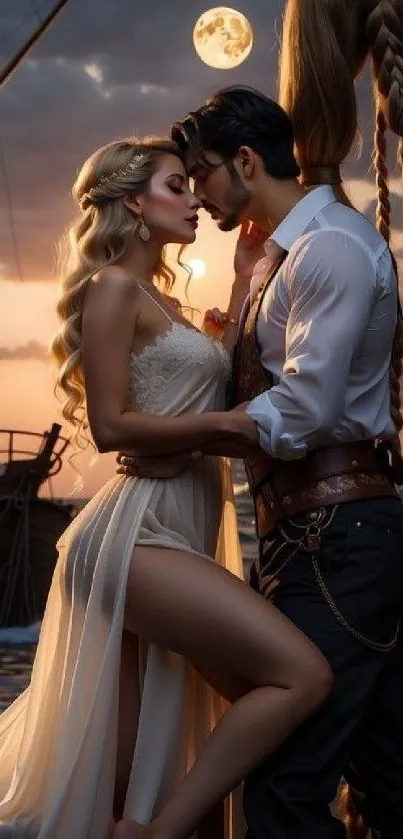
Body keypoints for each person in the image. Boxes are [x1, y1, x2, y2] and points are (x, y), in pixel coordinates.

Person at [0, 136, 332, 839]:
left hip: (174, 525)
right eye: (176, 186)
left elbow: (189, 400)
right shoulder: (114, 288)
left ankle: (155, 824)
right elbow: (113, 425)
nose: (193, 200)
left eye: (190, 185)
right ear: (132, 203)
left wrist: (243, 281)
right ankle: (157, 832)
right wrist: (230, 424)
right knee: (299, 676)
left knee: (156, 745)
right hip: (135, 534)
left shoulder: (168, 300)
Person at [119, 28, 403, 838]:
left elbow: (303, 412)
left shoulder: (331, 250)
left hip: (337, 531)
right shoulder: (282, 257)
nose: (198, 196)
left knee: (282, 781)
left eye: (201, 173)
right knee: (382, 768)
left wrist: (182, 437)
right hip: (314, 532)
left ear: (245, 161)